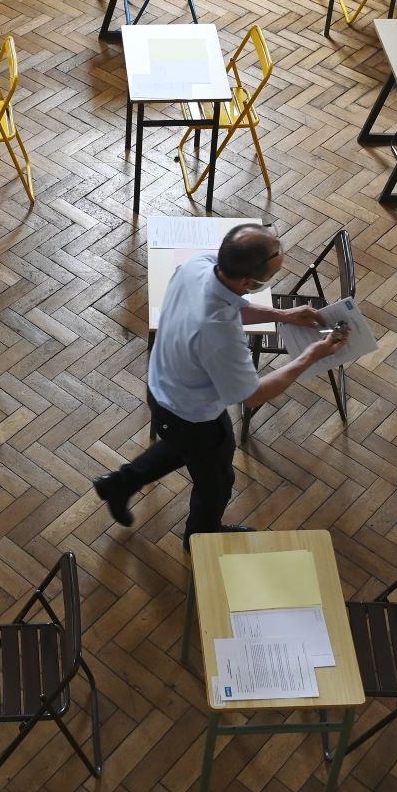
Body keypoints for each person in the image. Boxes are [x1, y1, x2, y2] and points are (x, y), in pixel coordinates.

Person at [95, 223, 349, 549]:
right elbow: (253, 395)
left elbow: (230, 303)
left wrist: (283, 315)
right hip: (192, 413)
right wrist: (309, 356)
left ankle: (118, 485)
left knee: (180, 447)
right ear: (248, 282)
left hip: (163, 388)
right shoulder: (219, 334)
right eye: (268, 278)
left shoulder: (198, 265)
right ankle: (201, 539)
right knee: (216, 481)